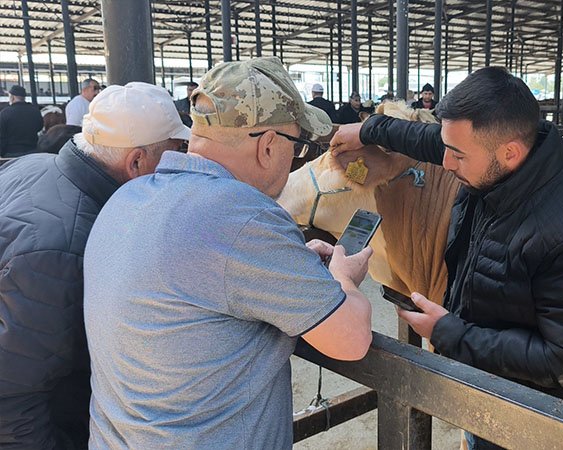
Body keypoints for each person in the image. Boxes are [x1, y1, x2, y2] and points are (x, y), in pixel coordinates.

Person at [83, 56, 373, 449]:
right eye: (299, 147)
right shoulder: (242, 215)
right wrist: (343, 278)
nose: (294, 161)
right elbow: (351, 339)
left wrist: (288, 261)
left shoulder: (129, 197)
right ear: (269, 145)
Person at [330, 66, 563, 449]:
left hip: (522, 418)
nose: (446, 164)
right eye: (448, 149)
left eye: (457, 155)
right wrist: (370, 130)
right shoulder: (515, 152)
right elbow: (437, 140)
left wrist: (450, 332)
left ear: (510, 153)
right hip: (480, 384)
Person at [0, 82, 189, 450]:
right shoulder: (66, 246)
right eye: (174, 152)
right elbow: (11, 396)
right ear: (136, 162)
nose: (179, 163)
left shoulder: (33, 165)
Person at [0, 85, 43, 157]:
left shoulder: (4, 113)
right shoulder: (35, 111)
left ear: (12, 97)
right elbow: (40, 127)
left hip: (11, 154)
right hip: (32, 153)